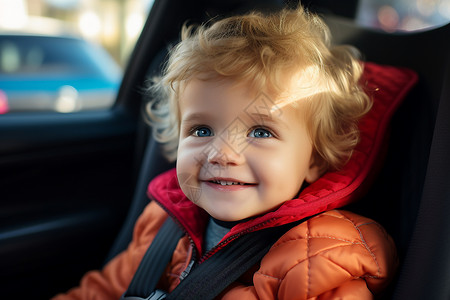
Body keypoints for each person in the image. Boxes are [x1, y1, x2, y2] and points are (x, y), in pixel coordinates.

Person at [54, 5, 400, 299]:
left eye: (260, 131)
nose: (222, 153)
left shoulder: (324, 258)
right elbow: (100, 291)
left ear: (315, 159)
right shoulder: (161, 224)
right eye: (201, 130)